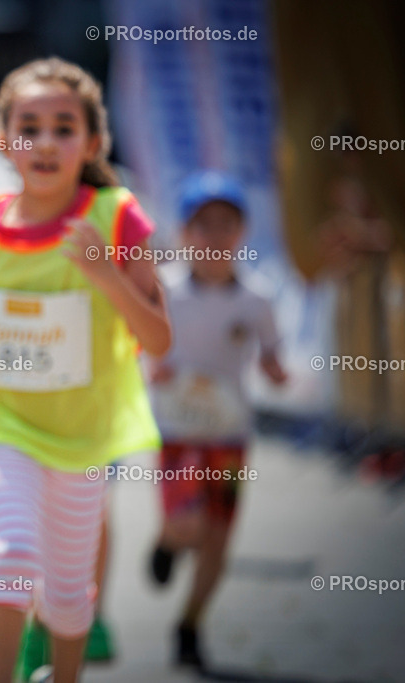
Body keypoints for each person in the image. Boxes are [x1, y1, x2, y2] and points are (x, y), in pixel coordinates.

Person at [0, 57, 169, 683]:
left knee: (68, 594)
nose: (44, 142)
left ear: (92, 142)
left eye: (64, 128)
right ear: (2, 138)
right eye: (29, 126)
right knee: (13, 552)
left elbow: (157, 336)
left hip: (82, 433)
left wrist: (104, 273)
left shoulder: (116, 215)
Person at [146, 170, 287, 669]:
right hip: (176, 432)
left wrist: (276, 370)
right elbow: (142, 346)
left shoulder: (258, 297)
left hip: (229, 433)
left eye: (227, 224)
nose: (215, 236)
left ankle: (190, 625)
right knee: (188, 524)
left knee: (219, 538)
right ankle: (166, 541)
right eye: (204, 225)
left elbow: (273, 354)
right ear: (185, 232)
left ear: (241, 232)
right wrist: (155, 369)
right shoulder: (165, 290)